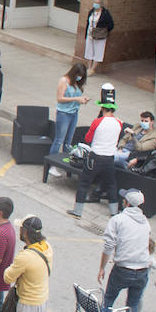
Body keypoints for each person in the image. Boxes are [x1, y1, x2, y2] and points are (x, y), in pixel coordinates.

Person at [96, 189, 153, 312]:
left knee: (109, 299)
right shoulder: (146, 222)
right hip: (142, 270)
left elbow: (108, 246)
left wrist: (102, 267)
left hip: (122, 269)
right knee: (132, 304)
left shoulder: (118, 220)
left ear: (126, 203)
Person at [67, 86, 123, 218]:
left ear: (102, 107)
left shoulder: (97, 122)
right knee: (111, 184)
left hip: (95, 157)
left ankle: (78, 211)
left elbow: (88, 138)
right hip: (109, 158)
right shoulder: (119, 123)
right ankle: (114, 212)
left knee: (84, 183)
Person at [46, 63, 90, 174]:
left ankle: (66, 164)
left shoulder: (77, 83)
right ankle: (52, 165)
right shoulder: (64, 81)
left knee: (68, 142)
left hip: (74, 113)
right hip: (64, 114)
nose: (80, 77)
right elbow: (59, 98)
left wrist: (82, 100)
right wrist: (76, 99)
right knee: (59, 140)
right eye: (78, 75)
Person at [83, 0, 113, 75]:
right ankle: (89, 68)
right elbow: (88, 22)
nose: (95, 4)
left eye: (97, 3)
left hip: (100, 36)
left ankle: (93, 69)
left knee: (98, 52)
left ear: (101, 4)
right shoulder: (91, 11)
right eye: (94, 2)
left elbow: (111, 25)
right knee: (89, 51)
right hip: (90, 34)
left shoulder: (105, 13)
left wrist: (104, 31)